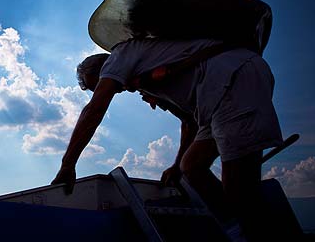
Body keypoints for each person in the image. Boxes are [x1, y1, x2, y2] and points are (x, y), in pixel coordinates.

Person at [51, 37, 283, 240]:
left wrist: (68, 164)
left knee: (240, 189)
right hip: (214, 99)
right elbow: (188, 121)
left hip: (231, 77)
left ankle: (252, 232)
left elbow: (94, 110)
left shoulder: (120, 55)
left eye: (100, 84)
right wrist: (175, 164)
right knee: (191, 166)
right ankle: (234, 229)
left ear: (104, 69)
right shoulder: (145, 76)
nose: (115, 90)